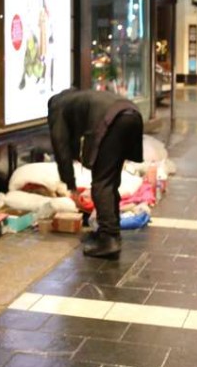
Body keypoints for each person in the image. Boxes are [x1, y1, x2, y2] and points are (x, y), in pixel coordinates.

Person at [47, 89, 144, 259]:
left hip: (112, 119)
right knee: (111, 181)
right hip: (133, 114)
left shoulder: (57, 107)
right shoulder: (77, 99)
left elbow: (61, 146)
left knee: (102, 183)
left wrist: (70, 184)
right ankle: (110, 232)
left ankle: (109, 239)